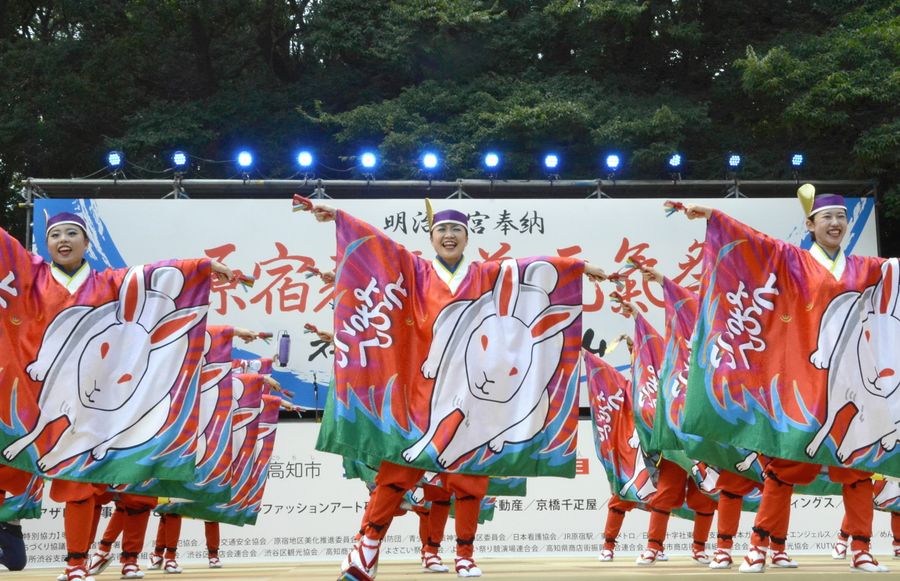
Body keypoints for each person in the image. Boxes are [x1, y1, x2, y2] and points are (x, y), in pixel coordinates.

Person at [303, 200, 605, 579]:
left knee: (469, 477)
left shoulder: (484, 274)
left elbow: (526, 266)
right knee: (397, 472)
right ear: (431, 238)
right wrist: (340, 217)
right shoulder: (415, 270)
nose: (449, 236)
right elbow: (381, 248)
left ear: (467, 237)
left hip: (474, 389)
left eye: (456, 231)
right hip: (420, 386)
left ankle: (464, 554)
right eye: (441, 230)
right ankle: (367, 546)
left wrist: (576, 268)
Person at [1, 212, 234, 581]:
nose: (63, 240)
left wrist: (201, 267)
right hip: (33, 389)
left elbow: (155, 273)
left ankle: (77, 564)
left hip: (92, 398)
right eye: (55, 235)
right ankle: (12, 526)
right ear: (46, 244)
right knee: (8, 461)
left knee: (79, 480)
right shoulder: (32, 276)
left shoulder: (108, 283)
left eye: (72, 234)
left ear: (86, 243)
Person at [682, 194, 888, 574]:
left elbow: (894, 276)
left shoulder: (865, 268)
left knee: (857, 470)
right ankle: (758, 546)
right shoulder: (792, 261)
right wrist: (714, 216)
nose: (836, 223)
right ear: (810, 225)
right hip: (802, 381)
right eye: (827, 217)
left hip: (848, 383)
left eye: (841, 217)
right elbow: (754, 244)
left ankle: (861, 548)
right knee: (784, 466)